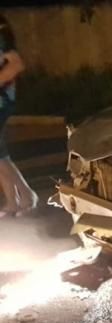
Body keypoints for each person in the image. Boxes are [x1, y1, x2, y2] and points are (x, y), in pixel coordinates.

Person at [0, 14, 37, 217]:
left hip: (1, 100)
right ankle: (16, 200)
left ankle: (26, 196)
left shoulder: (1, 34)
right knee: (1, 153)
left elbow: (16, 65)